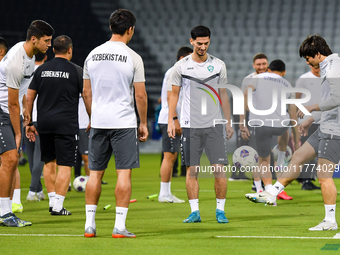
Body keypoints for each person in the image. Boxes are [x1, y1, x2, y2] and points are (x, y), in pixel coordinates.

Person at [248, 35, 340, 231]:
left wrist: (311, 108)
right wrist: (309, 120)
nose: (307, 62)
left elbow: (337, 99)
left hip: (335, 130)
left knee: (323, 176)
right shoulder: (329, 66)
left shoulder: (333, 68)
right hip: (326, 125)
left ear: (317, 53)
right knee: (298, 156)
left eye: (308, 58)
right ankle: (272, 192)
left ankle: (330, 221)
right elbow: (332, 105)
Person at [83, 9, 148, 238]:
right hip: (123, 123)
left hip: (99, 122)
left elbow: (86, 92)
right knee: (123, 175)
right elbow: (140, 95)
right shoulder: (133, 57)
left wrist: (92, 117)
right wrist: (143, 123)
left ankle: (89, 225)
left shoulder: (92, 55)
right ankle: (119, 227)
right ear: (130, 30)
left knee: (94, 174)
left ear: (111, 27)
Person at [168, 25, 234, 223]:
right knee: (192, 169)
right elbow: (174, 95)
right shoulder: (180, 67)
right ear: (191, 42)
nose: (203, 47)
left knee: (219, 168)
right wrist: (173, 119)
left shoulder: (219, 65)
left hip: (214, 125)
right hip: (190, 125)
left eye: (206, 43)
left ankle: (220, 211)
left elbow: (224, 95)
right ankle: (194, 212)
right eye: (199, 43)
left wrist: (228, 122)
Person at [0, 20, 54, 227]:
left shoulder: (29, 56)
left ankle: (5, 212)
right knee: (11, 159)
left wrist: (27, 117)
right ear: (34, 39)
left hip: (9, 111)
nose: (48, 44)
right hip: (2, 111)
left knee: (10, 160)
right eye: (46, 40)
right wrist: (18, 133)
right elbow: (12, 103)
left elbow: (22, 95)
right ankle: (5, 214)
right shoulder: (16, 62)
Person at [26, 35, 83, 216]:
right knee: (65, 164)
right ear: (70, 50)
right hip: (66, 124)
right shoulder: (76, 71)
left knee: (49, 162)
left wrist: (28, 121)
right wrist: (91, 116)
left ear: (52, 50)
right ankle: (58, 206)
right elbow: (87, 95)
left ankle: (52, 202)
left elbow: (29, 96)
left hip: (44, 122)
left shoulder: (41, 70)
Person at [242, 60, 297, 204]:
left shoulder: (258, 77)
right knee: (283, 136)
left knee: (264, 160)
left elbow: (246, 93)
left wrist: (245, 115)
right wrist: (296, 140)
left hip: (262, 124)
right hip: (282, 125)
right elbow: (292, 113)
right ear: (283, 72)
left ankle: (269, 193)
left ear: (269, 70)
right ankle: (281, 154)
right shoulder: (288, 84)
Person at [157, 46, 192, 203]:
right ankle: (163, 193)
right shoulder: (173, 72)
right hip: (170, 120)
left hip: (174, 119)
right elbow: (171, 97)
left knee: (172, 156)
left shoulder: (181, 73)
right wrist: (175, 120)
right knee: (169, 156)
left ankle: (167, 192)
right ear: (181, 59)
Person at [229, 53, 268, 181]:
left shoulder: (271, 78)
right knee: (243, 143)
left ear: (267, 64)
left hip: (261, 116)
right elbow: (241, 99)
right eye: (258, 64)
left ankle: (264, 175)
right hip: (245, 113)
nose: (261, 66)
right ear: (253, 65)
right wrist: (242, 121)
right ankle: (237, 174)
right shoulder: (248, 79)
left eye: (263, 64)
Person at [295, 65, 322, 190]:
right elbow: (296, 100)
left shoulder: (327, 79)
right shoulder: (304, 78)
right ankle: (305, 180)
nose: (317, 68)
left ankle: (310, 179)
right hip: (306, 121)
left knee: (318, 153)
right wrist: (295, 121)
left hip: (323, 120)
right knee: (307, 152)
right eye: (314, 66)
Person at [24, 52, 47, 202]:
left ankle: (38, 191)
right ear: (45, 57)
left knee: (31, 155)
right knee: (40, 155)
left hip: (25, 117)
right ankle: (32, 191)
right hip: (42, 116)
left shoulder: (26, 69)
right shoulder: (46, 71)